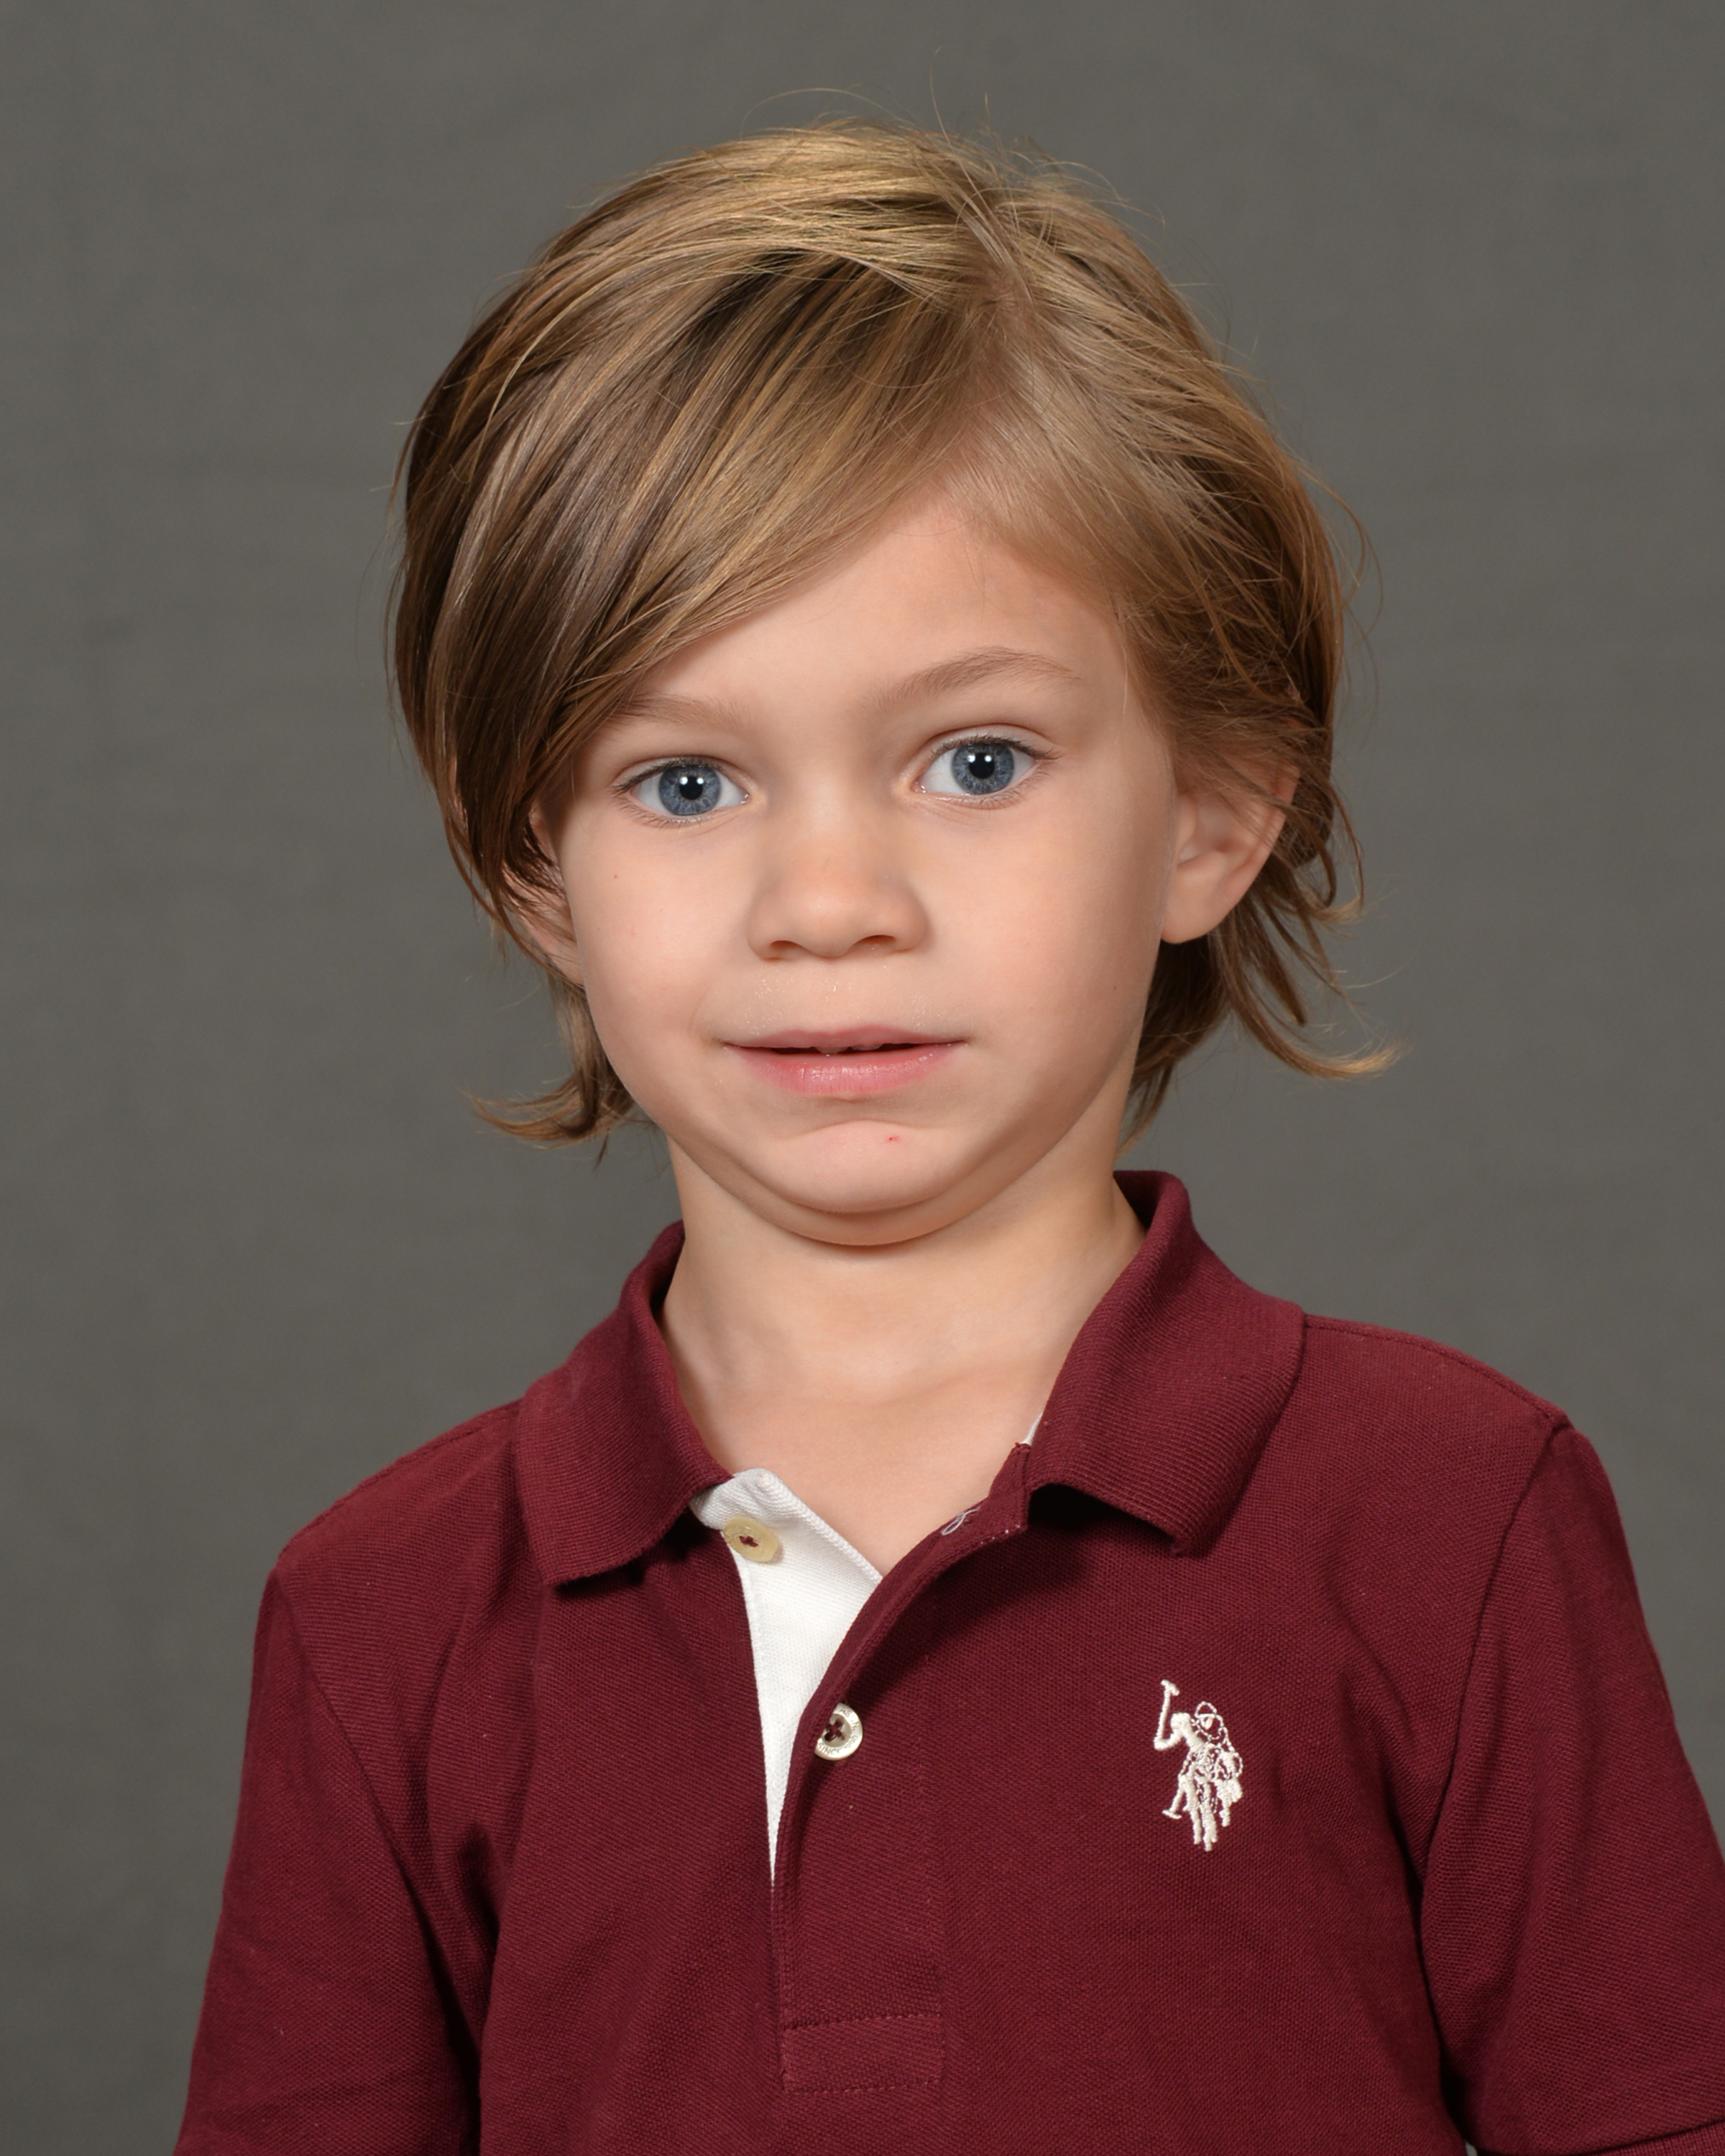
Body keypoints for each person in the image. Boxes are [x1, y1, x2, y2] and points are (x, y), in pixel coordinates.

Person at [175, 124, 1725, 2155]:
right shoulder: (382, 1617)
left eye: (975, 760)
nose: (830, 903)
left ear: (1213, 808)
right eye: (686, 781)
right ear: (532, 865)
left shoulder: (1452, 1521)